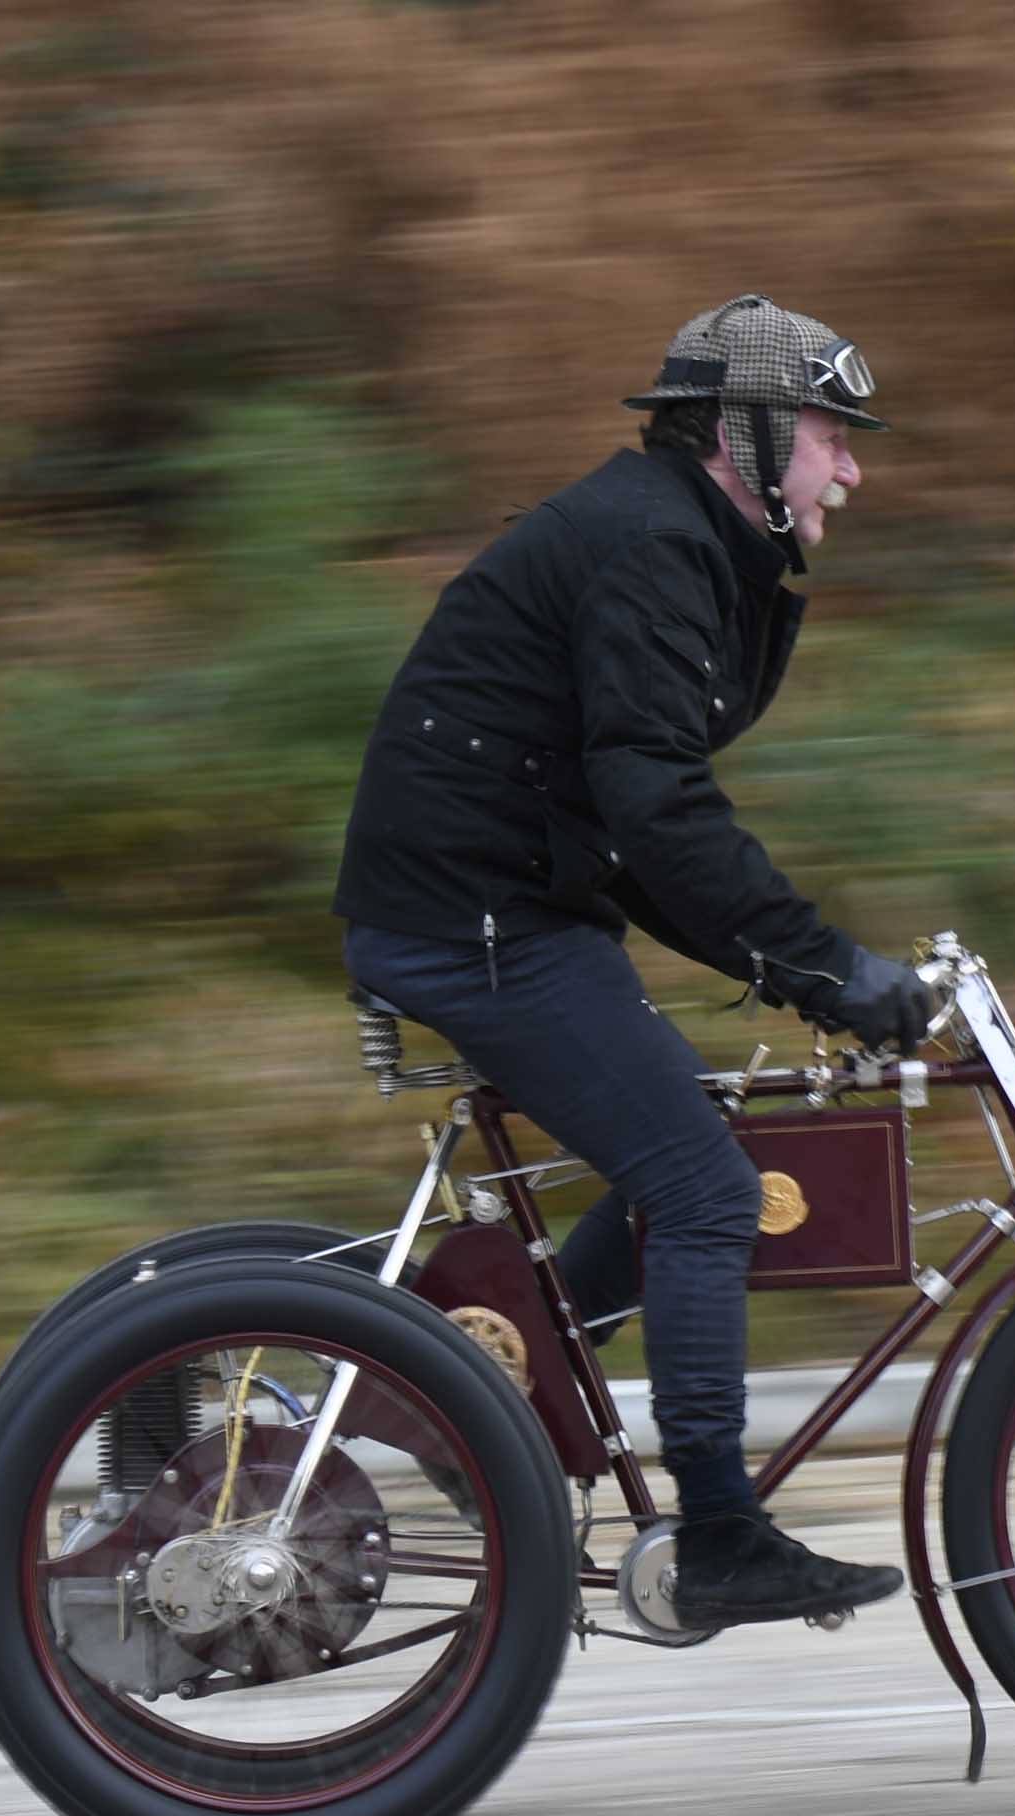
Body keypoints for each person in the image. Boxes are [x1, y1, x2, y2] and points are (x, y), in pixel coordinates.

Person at [334, 295, 938, 1630]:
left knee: (688, 1146)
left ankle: (488, 1398)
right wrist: (826, 966)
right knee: (708, 1193)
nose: (852, 469)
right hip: (474, 919)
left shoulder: (667, 536)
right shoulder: (655, 546)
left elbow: (638, 825)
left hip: (501, 904)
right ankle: (717, 1532)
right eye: (831, 435)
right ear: (750, 432)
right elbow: (659, 810)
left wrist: (804, 971)